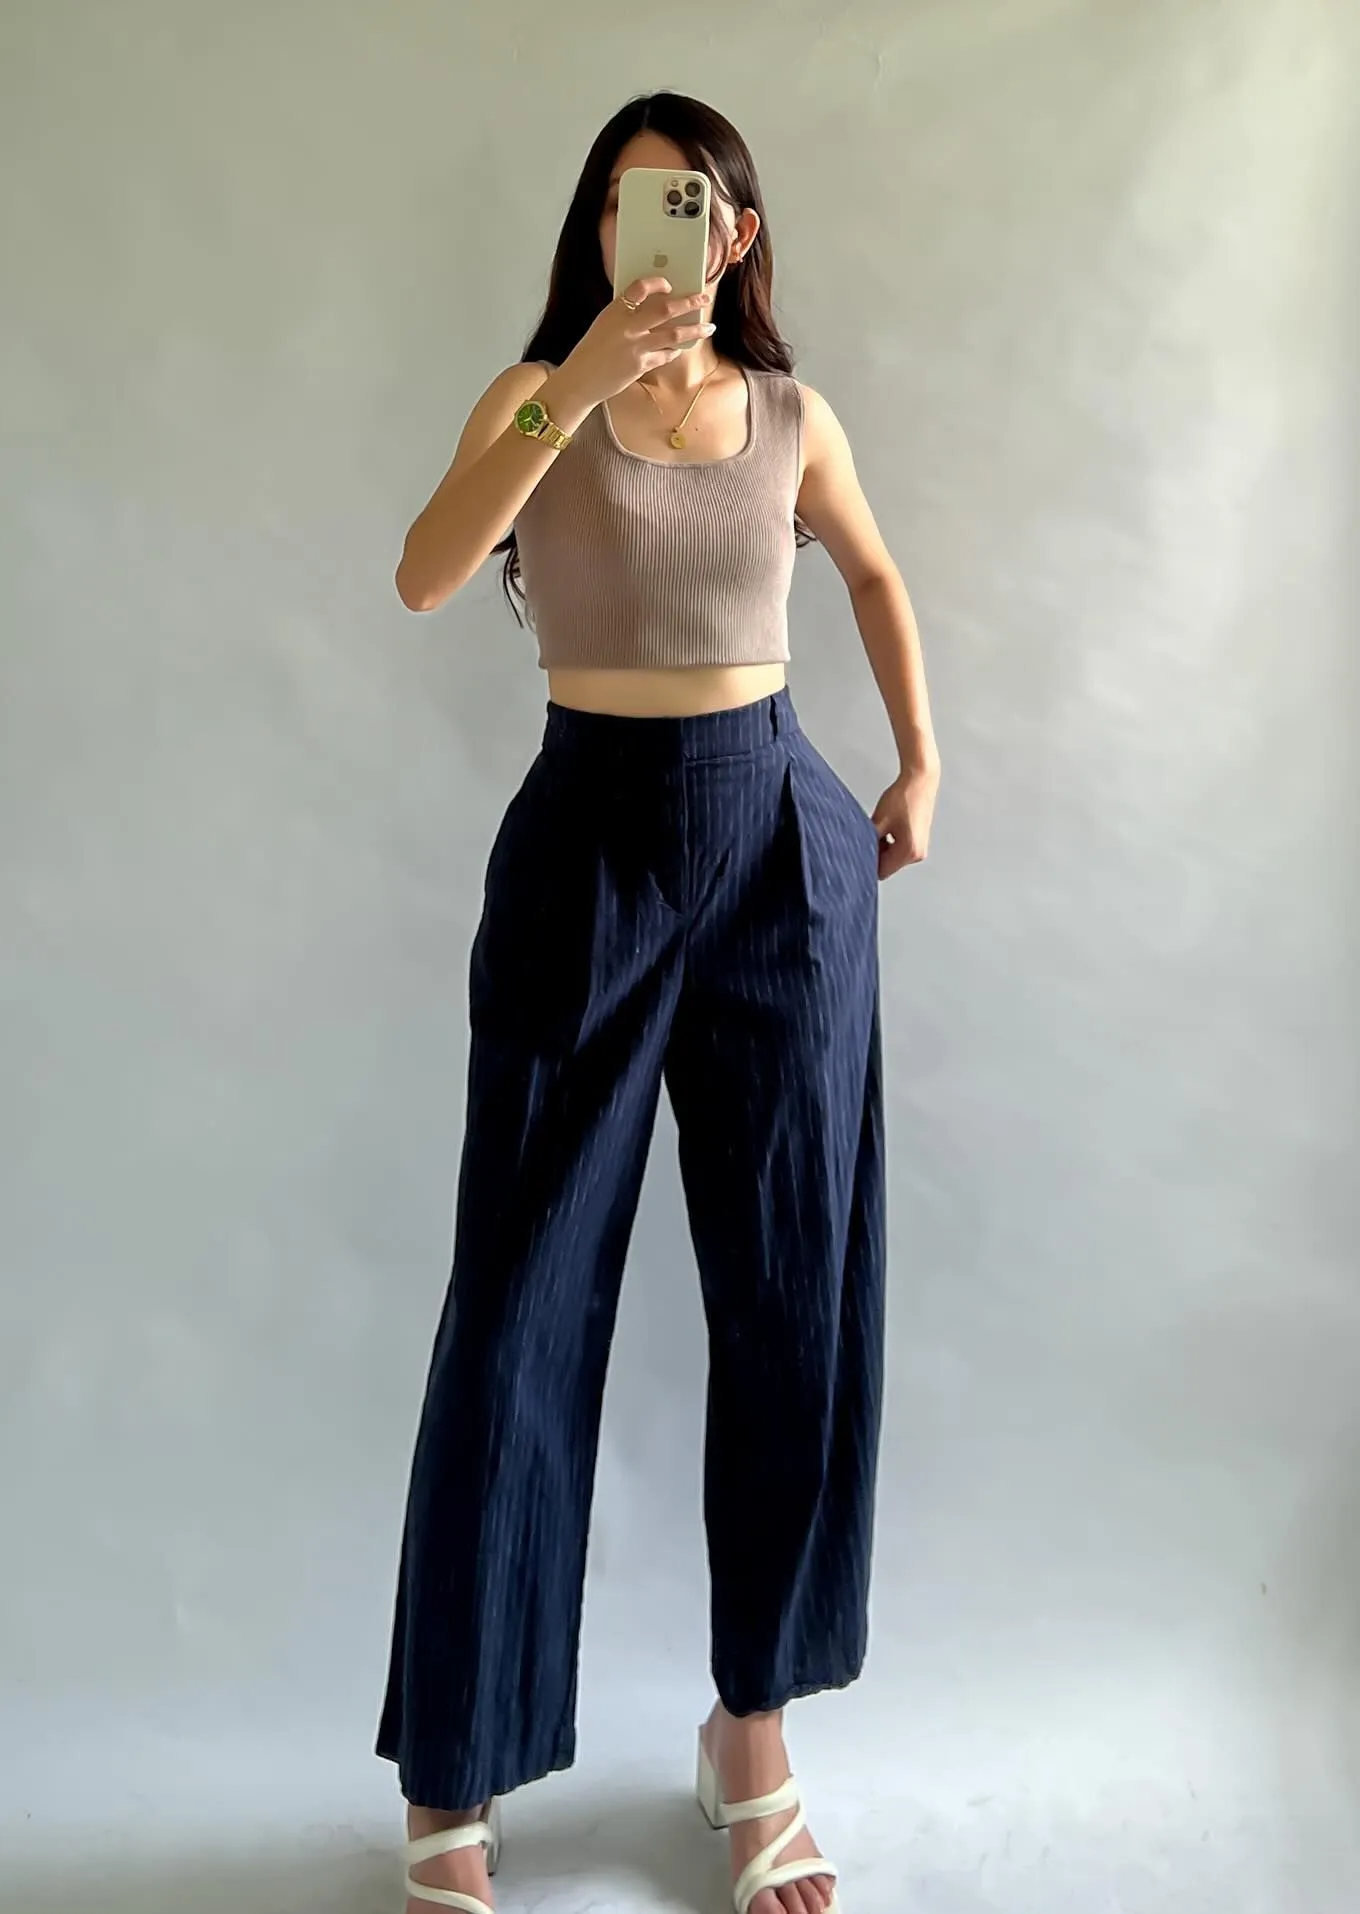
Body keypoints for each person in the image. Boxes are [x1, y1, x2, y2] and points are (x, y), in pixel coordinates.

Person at [379, 90, 939, 1914]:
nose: (656, 238)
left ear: (736, 234)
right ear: (596, 230)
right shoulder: (534, 397)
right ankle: (454, 1767)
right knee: (517, 1304)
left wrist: (921, 761)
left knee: (794, 1291)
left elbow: (873, 569)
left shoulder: (790, 415)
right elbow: (428, 571)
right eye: (626, 209)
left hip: (781, 849)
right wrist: (575, 381)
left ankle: (750, 1732)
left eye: (683, 208)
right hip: (589, 854)